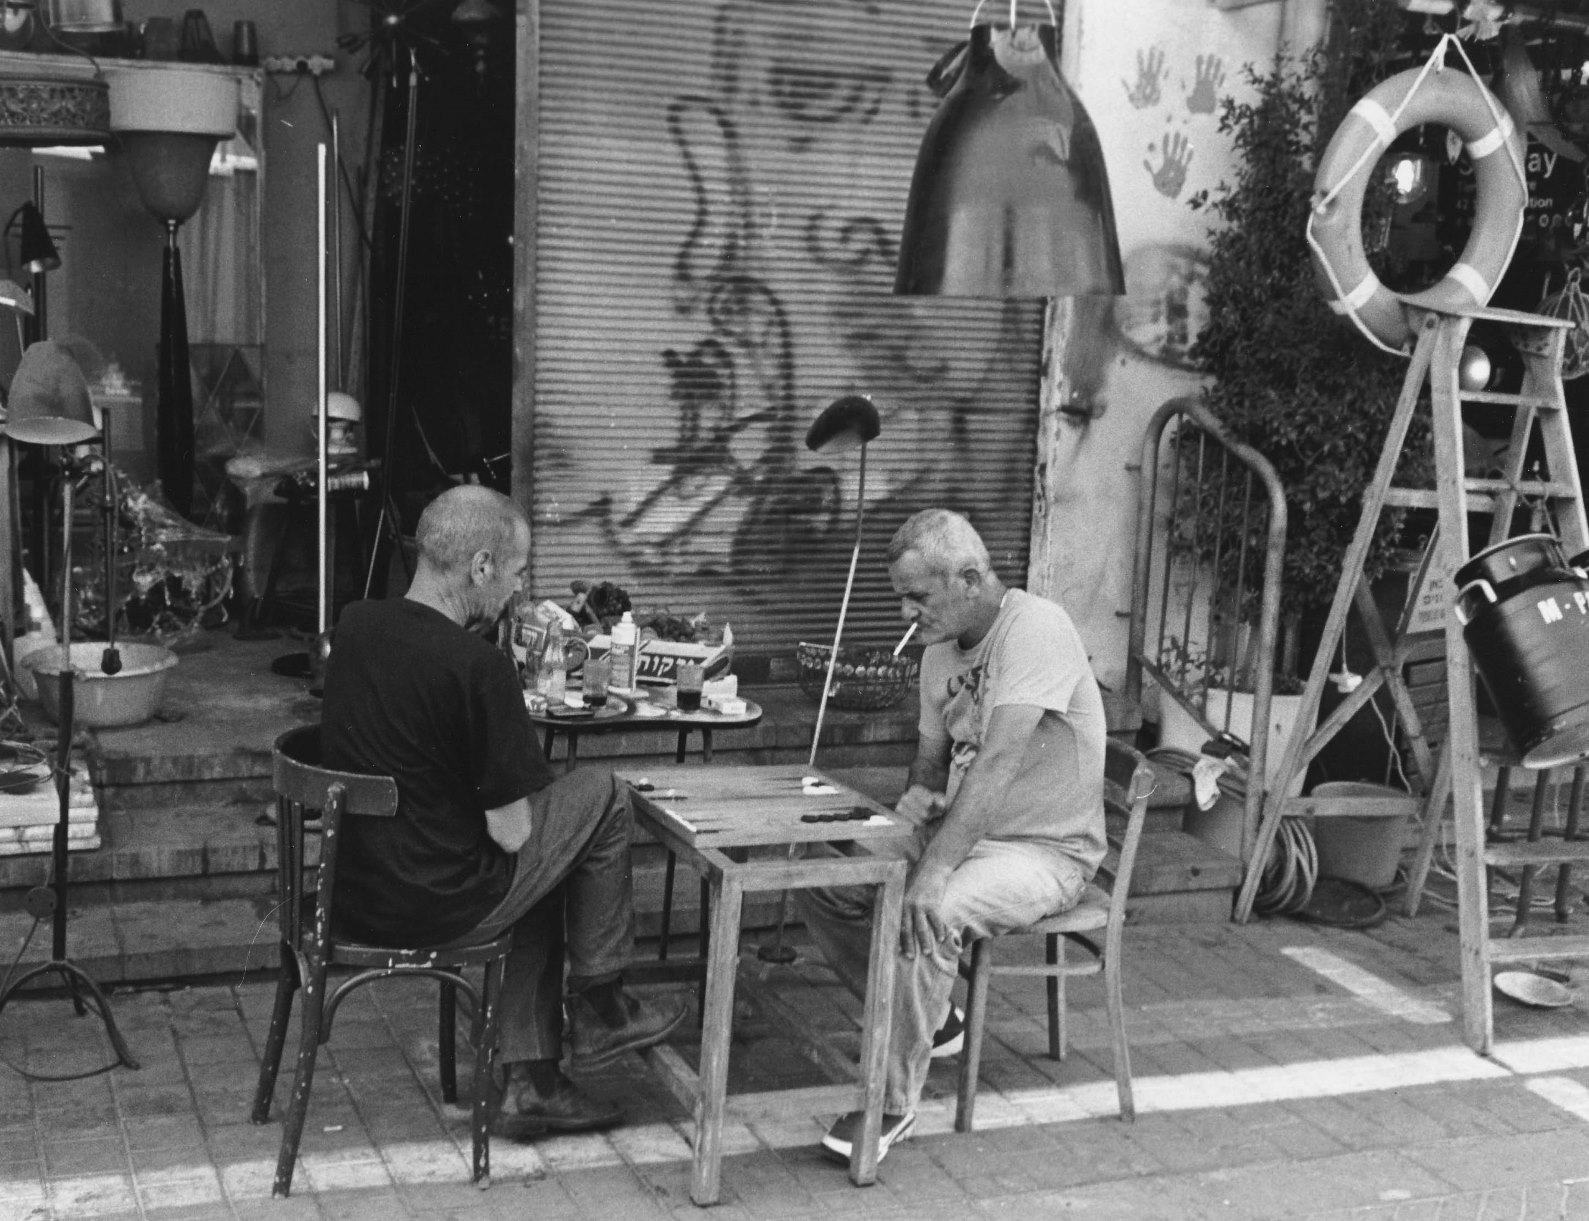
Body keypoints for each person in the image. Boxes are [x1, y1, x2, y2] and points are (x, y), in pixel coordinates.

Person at [321, 484, 687, 1138]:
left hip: (354, 889)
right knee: (601, 794)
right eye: (515, 573)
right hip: (440, 899)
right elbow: (513, 832)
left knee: (549, 860)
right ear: (482, 566)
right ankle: (600, 997)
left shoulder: (354, 626)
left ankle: (534, 1080)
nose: (518, 591)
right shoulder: (477, 665)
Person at [797, 508, 1106, 1162]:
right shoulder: (938, 653)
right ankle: (935, 1020)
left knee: (931, 908)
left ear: (969, 577)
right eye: (900, 597)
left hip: (1043, 852)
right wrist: (893, 831)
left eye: (918, 596)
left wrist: (931, 869)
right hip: (962, 830)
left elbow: (996, 760)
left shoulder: (1037, 628)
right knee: (819, 871)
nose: (907, 612)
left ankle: (888, 1103)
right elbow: (930, 767)